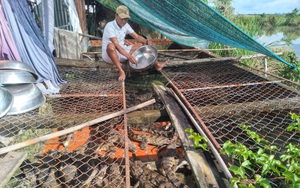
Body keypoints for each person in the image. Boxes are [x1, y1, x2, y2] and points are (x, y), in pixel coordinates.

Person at [101, 5, 168, 81]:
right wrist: (130, 57)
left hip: (122, 51)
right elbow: (117, 46)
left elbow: (136, 37)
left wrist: (146, 41)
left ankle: (157, 64)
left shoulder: (126, 25)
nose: (124, 21)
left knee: (141, 45)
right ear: (116, 15)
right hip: (110, 55)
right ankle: (121, 71)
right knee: (111, 46)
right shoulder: (110, 26)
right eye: (122, 18)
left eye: (126, 19)